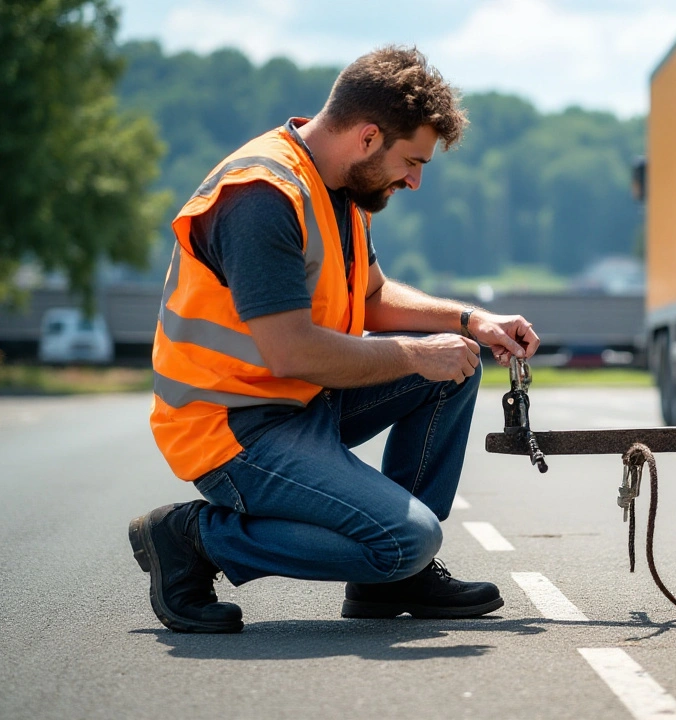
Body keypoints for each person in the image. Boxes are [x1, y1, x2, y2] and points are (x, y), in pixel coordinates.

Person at [128, 46, 539, 634]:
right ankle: (194, 538)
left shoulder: (342, 187)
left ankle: (390, 583)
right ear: (369, 137)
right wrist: (419, 353)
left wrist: (471, 322)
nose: (416, 181)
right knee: (407, 538)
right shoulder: (261, 197)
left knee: (456, 364)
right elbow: (291, 351)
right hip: (232, 430)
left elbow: (371, 298)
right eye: (413, 161)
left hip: (300, 403)